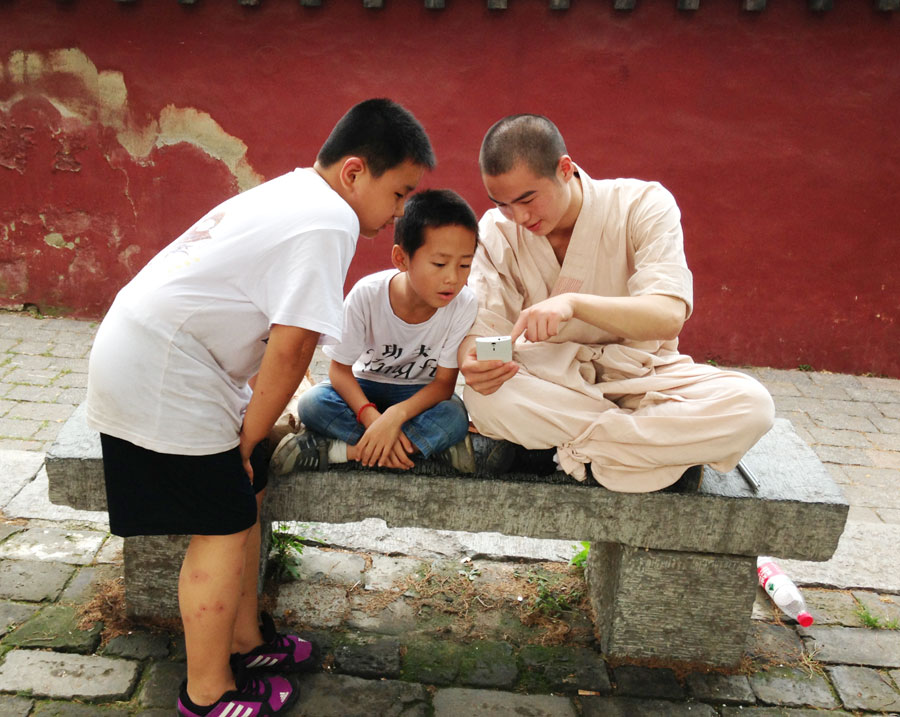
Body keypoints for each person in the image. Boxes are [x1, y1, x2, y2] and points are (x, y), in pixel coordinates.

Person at [85, 98, 435, 716]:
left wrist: (250, 438)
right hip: (165, 372)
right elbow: (293, 344)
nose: (402, 211)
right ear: (355, 172)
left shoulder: (302, 193)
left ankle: (244, 642)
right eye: (400, 192)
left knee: (247, 493)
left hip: (166, 359)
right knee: (221, 523)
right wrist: (246, 437)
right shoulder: (330, 220)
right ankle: (206, 693)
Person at [459, 114, 775, 492]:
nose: (519, 216)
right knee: (485, 398)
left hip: (646, 375)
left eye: (528, 199)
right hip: (552, 380)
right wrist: (475, 359)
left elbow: (668, 315)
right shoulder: (496, 230)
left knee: (752, 406)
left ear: (564, 169)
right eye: (503, 204)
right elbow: (493, 334)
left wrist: (575, 304)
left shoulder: (643, 204)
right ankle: (653, 455)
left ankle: (572, 450)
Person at [271, 188, 479, 474]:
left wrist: (395, 416)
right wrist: (372, 419)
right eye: (439, 264)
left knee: (454, 414)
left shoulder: (464, 304)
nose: (452, 278)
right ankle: (414, 448)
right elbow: (339, 371)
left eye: (465, 264)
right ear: (402, 258)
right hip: (364, 388)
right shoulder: (367, 295)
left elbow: (443, 384)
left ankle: (341, 451)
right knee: (313, 403)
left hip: (418, 396)